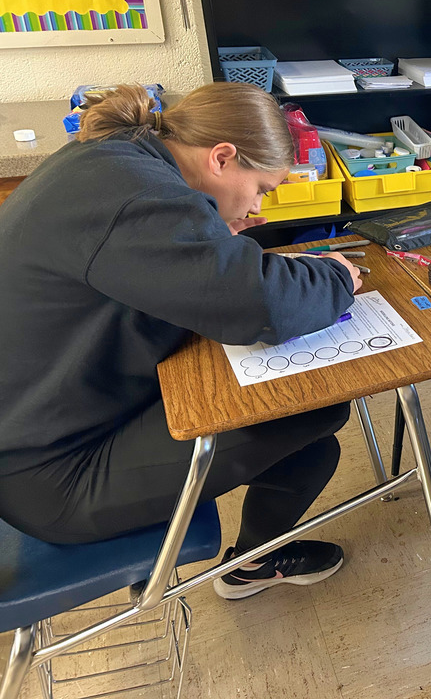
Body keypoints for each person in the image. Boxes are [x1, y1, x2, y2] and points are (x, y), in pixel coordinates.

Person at [0, 83, 365, 601]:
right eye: (260, 188)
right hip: (51, 478)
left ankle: (256, 559)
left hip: (55, 419)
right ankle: (246, 561)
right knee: (311, 409)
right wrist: (335, 278)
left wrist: (225, 245)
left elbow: (187, 271)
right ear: (221, 157)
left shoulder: (114, 160)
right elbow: (257, 305)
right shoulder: (140, 196)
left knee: (309, 443)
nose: (258, 208)